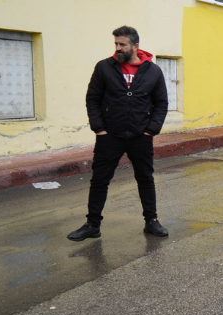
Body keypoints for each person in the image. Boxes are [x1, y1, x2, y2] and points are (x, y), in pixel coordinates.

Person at [68, 25, 169, 241]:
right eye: (116, 44)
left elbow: (161, 103)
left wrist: (151, 131)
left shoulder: (153, 71)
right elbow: (92, 99)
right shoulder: (104, 67)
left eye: (122, 44)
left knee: (145, 178)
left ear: (135, 46)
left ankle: (151, 221)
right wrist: (100, 129)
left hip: (141, 136)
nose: (118, 48)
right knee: (99, 180)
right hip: (110, 136)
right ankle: (92, 225)